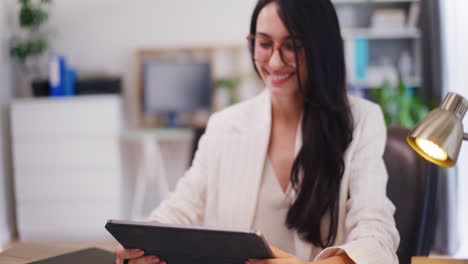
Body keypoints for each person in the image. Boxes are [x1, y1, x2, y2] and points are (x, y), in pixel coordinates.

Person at [116, 0, 400, 263]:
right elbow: (182, 207)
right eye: (264, 43)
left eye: (292, 46)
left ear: (319, 48)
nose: (274, 62)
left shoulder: (361, 120)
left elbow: (375, 228)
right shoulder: (224, 126)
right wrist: (142, 241)